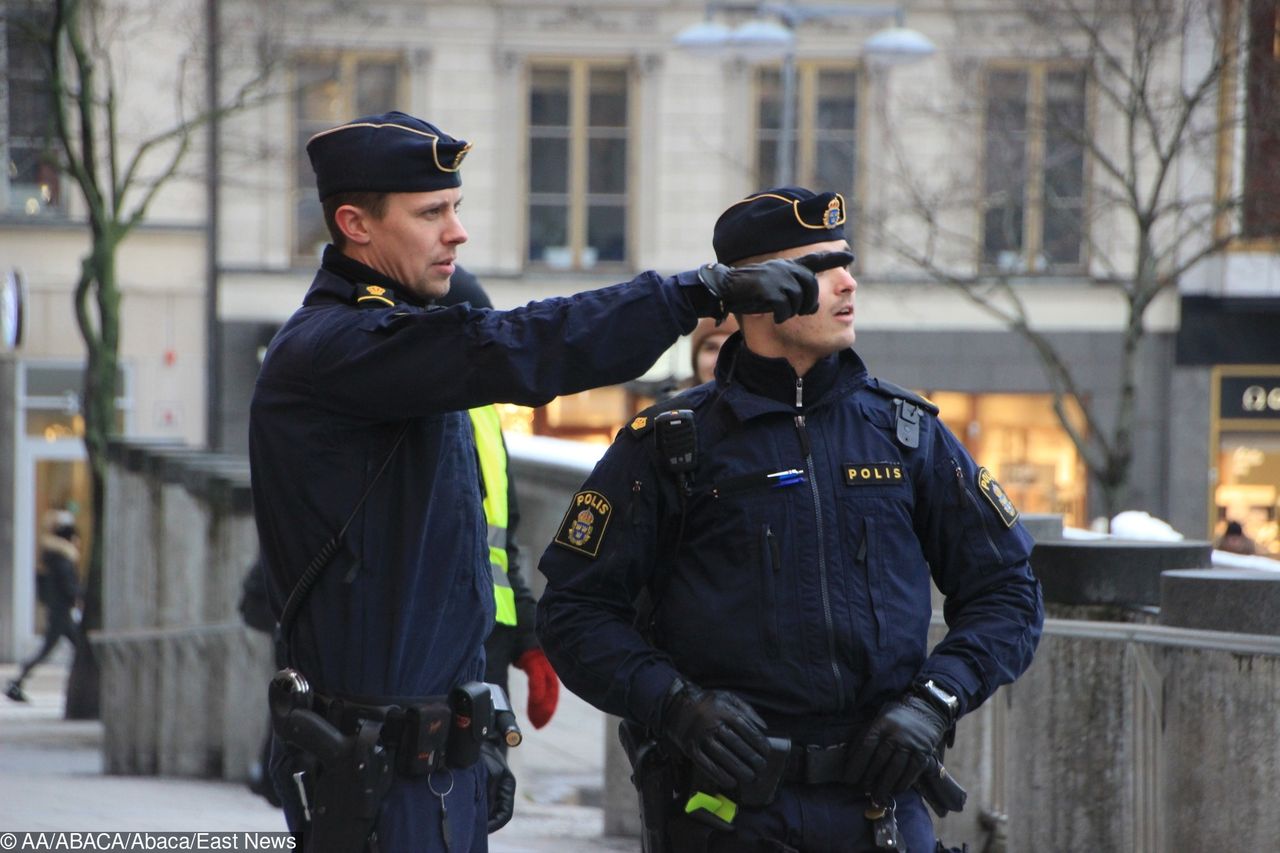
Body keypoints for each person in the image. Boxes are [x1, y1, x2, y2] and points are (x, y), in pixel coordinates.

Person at [248, 112, 821, 853]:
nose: (457, 232)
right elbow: (522, 346)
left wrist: (494, 687)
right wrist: (694, 293)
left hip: (432, 761)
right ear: (354, 223)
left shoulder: (399, 337)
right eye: (431, 214)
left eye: (455, 209)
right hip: (372, 772)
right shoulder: (339, 346)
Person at [536, 187, 1045, 853]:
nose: (847, 281)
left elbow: (1010, 589)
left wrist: (936, 699)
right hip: (730, 811)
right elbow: (574, 613)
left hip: (880, 808)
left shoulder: (905, 435)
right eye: (819, 267)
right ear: (756, 293)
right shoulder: (667, 444)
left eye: (847, 262)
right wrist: (677, 706)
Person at [435, 267, 560, 730]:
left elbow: (502, 543)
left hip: (490, 642)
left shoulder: (485, 413)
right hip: (436, 650)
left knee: (490, 791)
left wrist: (528, 636)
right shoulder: (411, 412)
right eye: (475, 335)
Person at [7, 510, 83, 704]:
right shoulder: (61, 558)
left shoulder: (52, 556)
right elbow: (68, 585)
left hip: (59, 611)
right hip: (61, 613)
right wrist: (79, 594)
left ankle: (17, 682)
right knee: (54, 649)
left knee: (74, 647)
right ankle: (16, 682)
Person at [689, 314, 739, 386]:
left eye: (732, 350)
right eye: (711, 348)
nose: (720, 360)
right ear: (695, 358)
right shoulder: (676, 396)